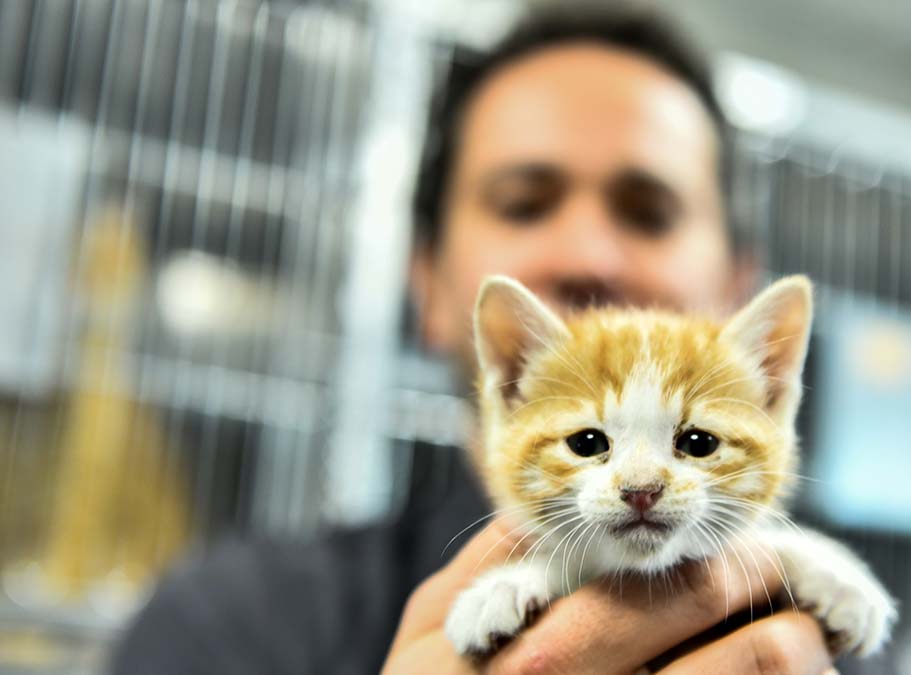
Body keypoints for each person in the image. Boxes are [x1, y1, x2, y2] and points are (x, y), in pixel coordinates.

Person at [112, 4, 838, 674]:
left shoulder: (819, 631)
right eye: (524, 203)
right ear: (426, 283)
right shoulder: (231, 623)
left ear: (739, 293)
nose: (590, 254)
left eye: (649, 213)